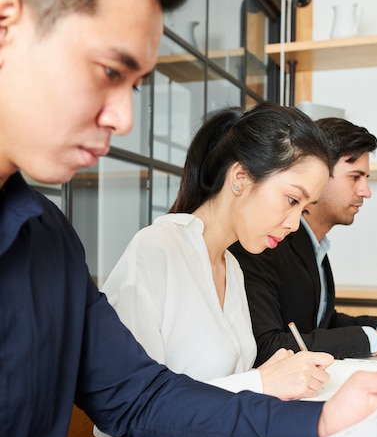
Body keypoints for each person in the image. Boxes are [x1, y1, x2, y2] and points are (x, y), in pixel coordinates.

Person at [2, 0, 377, 437]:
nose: (123, 118)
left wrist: (325, 419)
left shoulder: (48, 241)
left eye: (135, 84)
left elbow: (141, 395)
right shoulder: (158, 247)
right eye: (107, 70)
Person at [100, 103, 333, 406]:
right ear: (241, 177)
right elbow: (129, 408)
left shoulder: (231, 266)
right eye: (291, 199)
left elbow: (218, 385)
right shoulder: (157, 249)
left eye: (303, 209)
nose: (293, 224)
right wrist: (260, 382)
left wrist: (267, 374)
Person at [230, 117, 377, 365]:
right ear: (319, 175)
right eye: (355, 177)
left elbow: (321, 322)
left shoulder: (314, 244)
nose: (366, 191)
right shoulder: (265, 242)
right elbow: (267, 345)